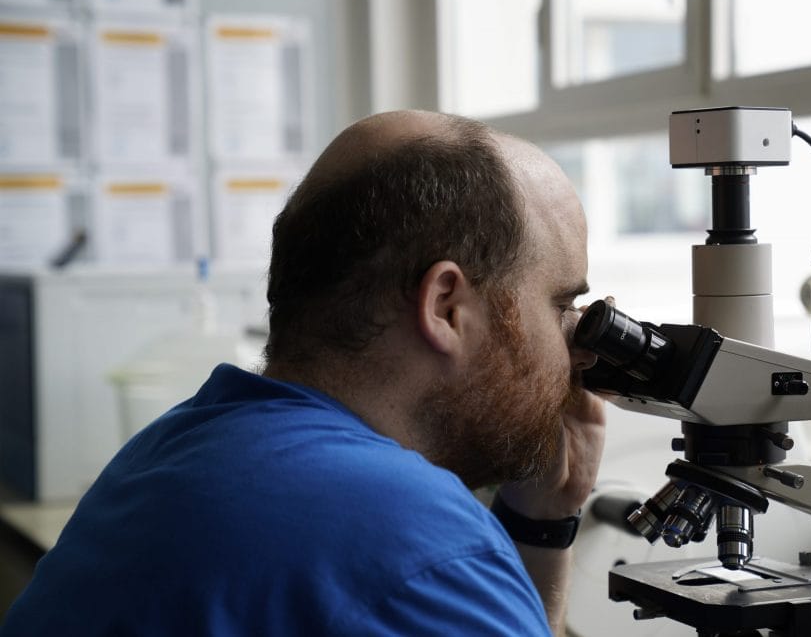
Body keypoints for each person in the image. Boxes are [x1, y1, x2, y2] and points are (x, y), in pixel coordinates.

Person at [1, 111, 605, 636]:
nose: (576, 350)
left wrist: (540, 520)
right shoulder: (418, 539)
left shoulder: (173, 446)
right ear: (446, 306)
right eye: (560, 307)